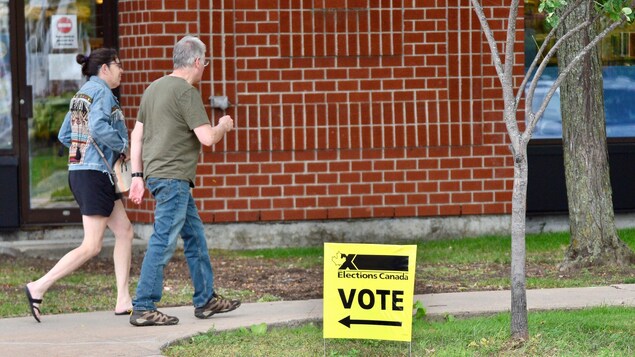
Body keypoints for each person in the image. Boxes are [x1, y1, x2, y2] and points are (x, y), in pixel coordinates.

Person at [127, 35, 240, 326]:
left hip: (159, 176)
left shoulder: (153, 88)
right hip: (174, 177)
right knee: (164, 239)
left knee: (194, 237)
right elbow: (207, 138)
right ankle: (143, 306)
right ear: (197, 61)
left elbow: (136, 136)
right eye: (206, 62)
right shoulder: (186, 92)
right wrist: (224, 125)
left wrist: (137, 176)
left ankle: (206, 299)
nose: (205, 67)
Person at [25, 48, 134, 322]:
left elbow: (65, 134)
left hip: (88, 172)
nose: (122, 71)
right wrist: (122, 146)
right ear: (105, 69)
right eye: (118, 65)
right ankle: (38, 286)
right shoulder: (103, 93)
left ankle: (123, 299)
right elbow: (97, 128)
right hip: (94, 175)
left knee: (125, 230)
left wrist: (83, 155)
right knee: (92, 245)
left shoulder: (81, 95)